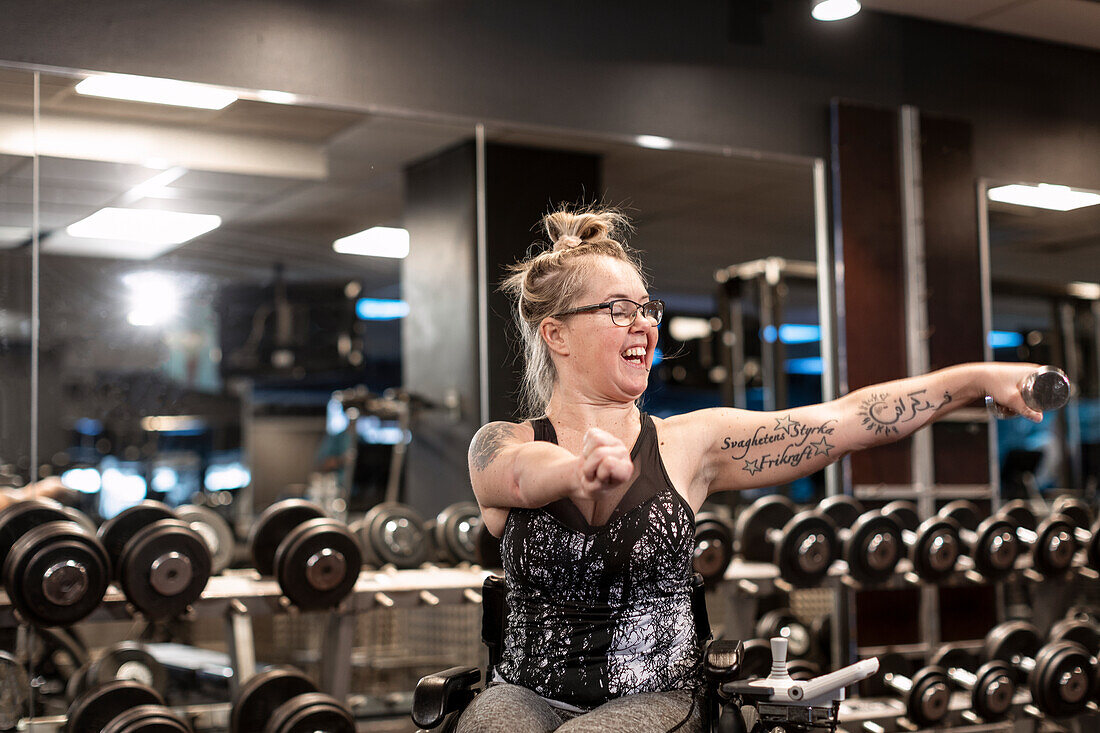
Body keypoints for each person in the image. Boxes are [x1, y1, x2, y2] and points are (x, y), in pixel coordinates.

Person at [460, 206, 1042, 733]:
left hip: (656, 698)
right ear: (555, 333)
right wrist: (575, 474)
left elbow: (843, 421)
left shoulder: (691, 444)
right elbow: (516, 475)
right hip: (527, 691)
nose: (644, 325)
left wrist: (974, 380)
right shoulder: (502, 442)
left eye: (646, 308)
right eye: (619, 311)